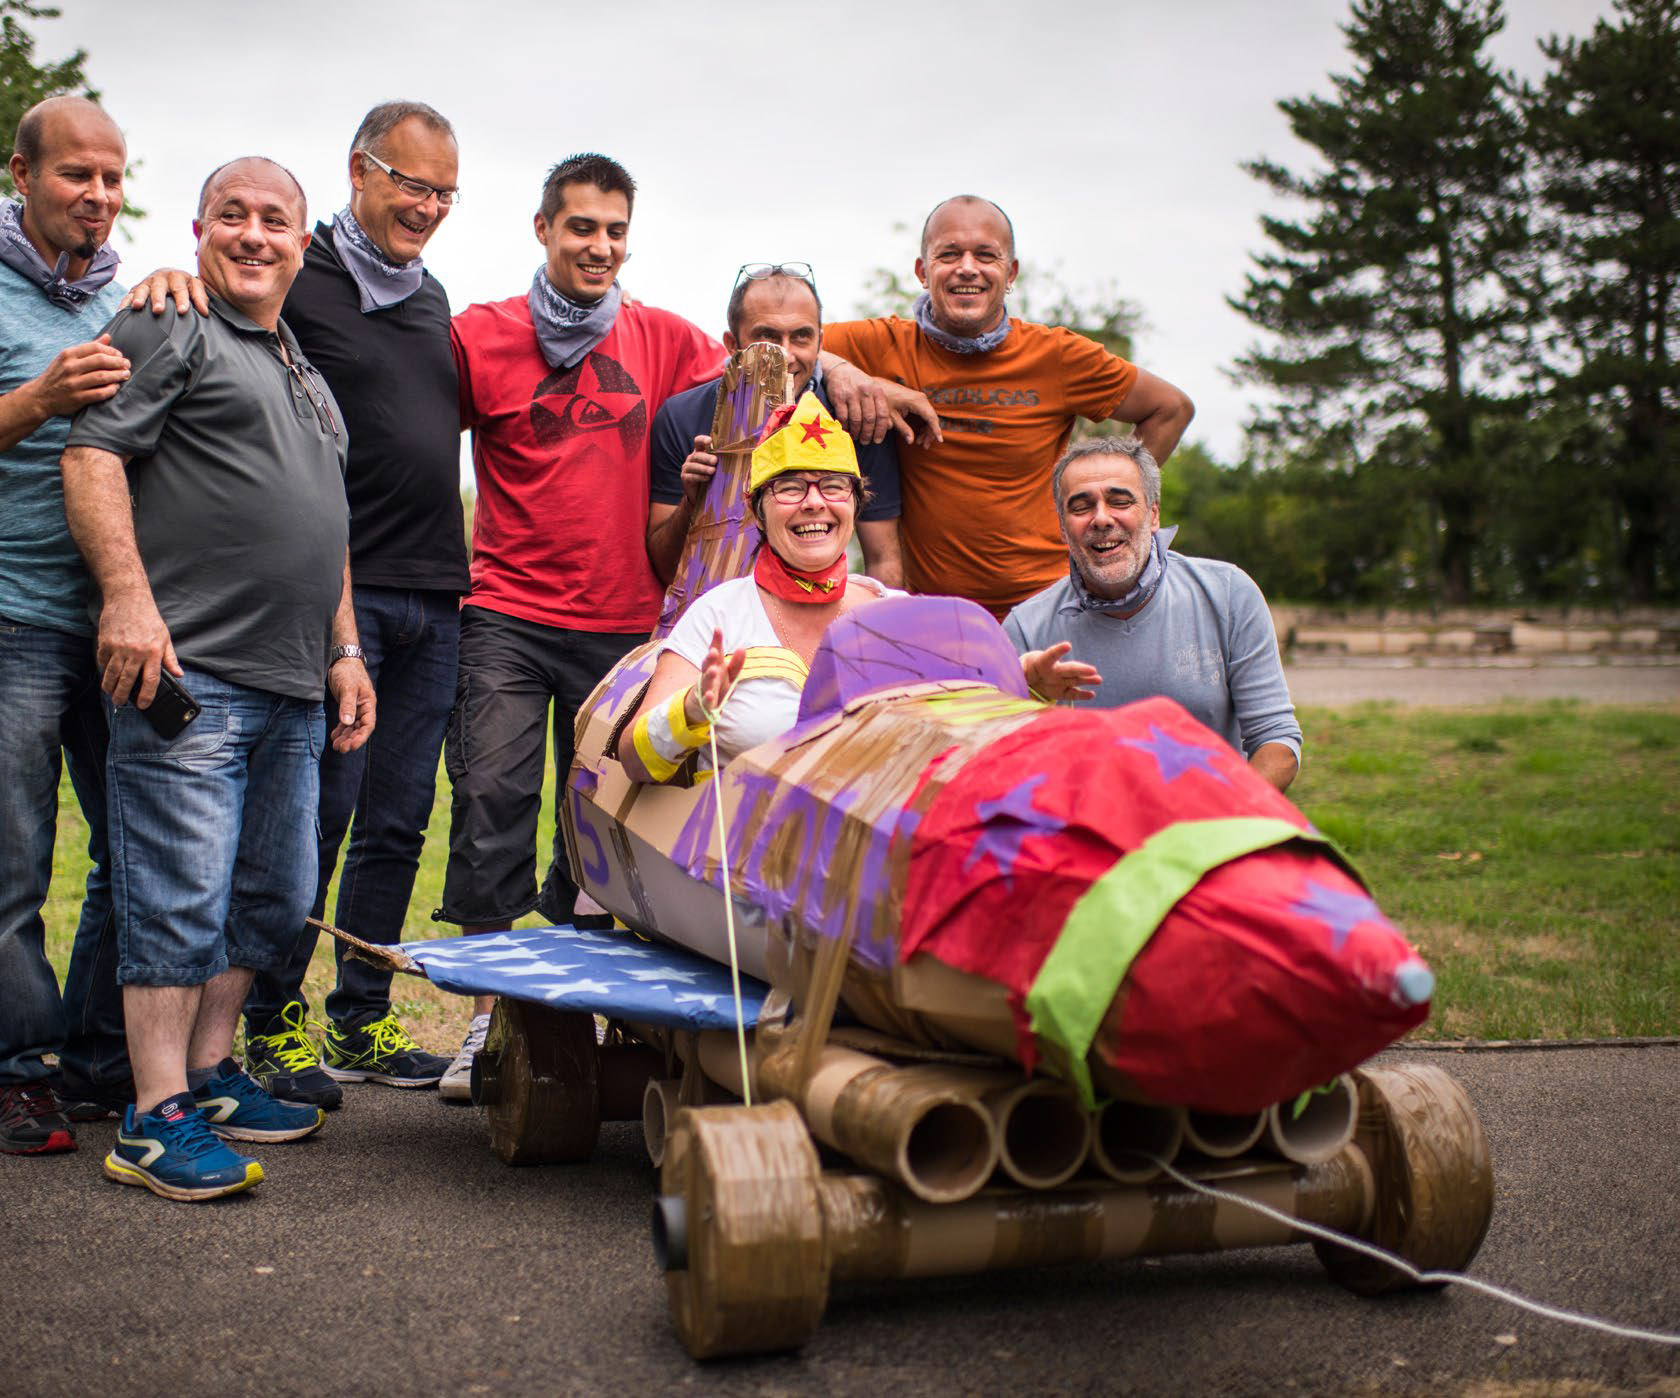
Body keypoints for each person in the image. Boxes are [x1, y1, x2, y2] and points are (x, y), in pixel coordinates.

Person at [60, 156, 375, 1201]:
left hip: (293, 685)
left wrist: (343, 648)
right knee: (175, 896)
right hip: (188, 672)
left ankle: (209, 1071)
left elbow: (326, 529)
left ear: (302, 241)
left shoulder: (309, 375)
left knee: (274, 894)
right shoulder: (167, 326)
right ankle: (151, 1119)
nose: (254, 234)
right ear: (197, 231)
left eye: (274, 219)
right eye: (232, 216)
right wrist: (127, 601)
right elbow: (93, 454)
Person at [440, 153, 724, 1094]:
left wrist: (852, 372)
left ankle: (570, 1021)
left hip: (625, 624)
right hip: (509, 614)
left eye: (613, 232)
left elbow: (773, 355)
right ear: (543, 230)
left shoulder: (669, 340)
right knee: (488, 803)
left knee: (595, 826)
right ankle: (488, 1024)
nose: (598, 247)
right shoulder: (479, 335)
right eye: (581, 228)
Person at [230, 101, 465, 1105]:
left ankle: (360, 1020)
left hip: (437, 596)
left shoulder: (432, 295)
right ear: (359, 173)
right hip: (343, 597)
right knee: (313, 820)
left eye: (445, 193)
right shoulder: (298, 275)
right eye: (411, 184)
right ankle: (273, 1030)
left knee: (401, 823)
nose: (427, 207)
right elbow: (215, 314)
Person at [623, 392, 1097, 780]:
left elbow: (957, 747)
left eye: (832, 486)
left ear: (855, 503)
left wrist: (1023, 689)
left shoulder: (899, 614)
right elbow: (634, 761)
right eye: (790, 488)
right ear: (757, 510)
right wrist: (690, 712)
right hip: (735, 876)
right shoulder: (720, 613)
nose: (814, 503)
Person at [820, 195, 1196, 618]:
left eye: (985, 255)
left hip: (1053, 611)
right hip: (935, 615)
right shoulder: (880, 344)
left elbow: (1171, 408)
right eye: (948, 255)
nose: (967, 267)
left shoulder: (1057, 355)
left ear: (1010, 272)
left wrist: (1110, 496)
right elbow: (774, 343)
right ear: (922, 272)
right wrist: (844, 373)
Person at [0, 96, 139, 1155]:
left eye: (112, 179)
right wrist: (34, 401)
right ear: (22, 174)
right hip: (10, 617)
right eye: (76, 176)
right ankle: (16, 1071)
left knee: (131, 851)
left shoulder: (127, 301)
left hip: (113, 626)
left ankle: (94, 1055)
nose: (97, 196)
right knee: (13, 859)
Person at [1003, 438, 1301, 791]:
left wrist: (1223, 820)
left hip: (1211, 829)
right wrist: (1029, 696)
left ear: (1153, 514)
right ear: (1063, 529)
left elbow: (1277, 741)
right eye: (1081, 507)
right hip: (1086, 837)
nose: (1101, 518)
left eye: (1120, 501)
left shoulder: (1229, 593)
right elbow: (1003, 765)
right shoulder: (1025, 627)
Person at [647, 263, 903, 587]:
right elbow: (665, 569)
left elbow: (883, 559)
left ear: (820, 342)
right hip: (719, 623)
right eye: (766, 336)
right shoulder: (683, 416)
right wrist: (693, 503)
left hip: (820, 619)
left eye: (801, 337)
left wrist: (876, 634)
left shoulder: (854, 418)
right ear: (732, 344)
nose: (786, 355)